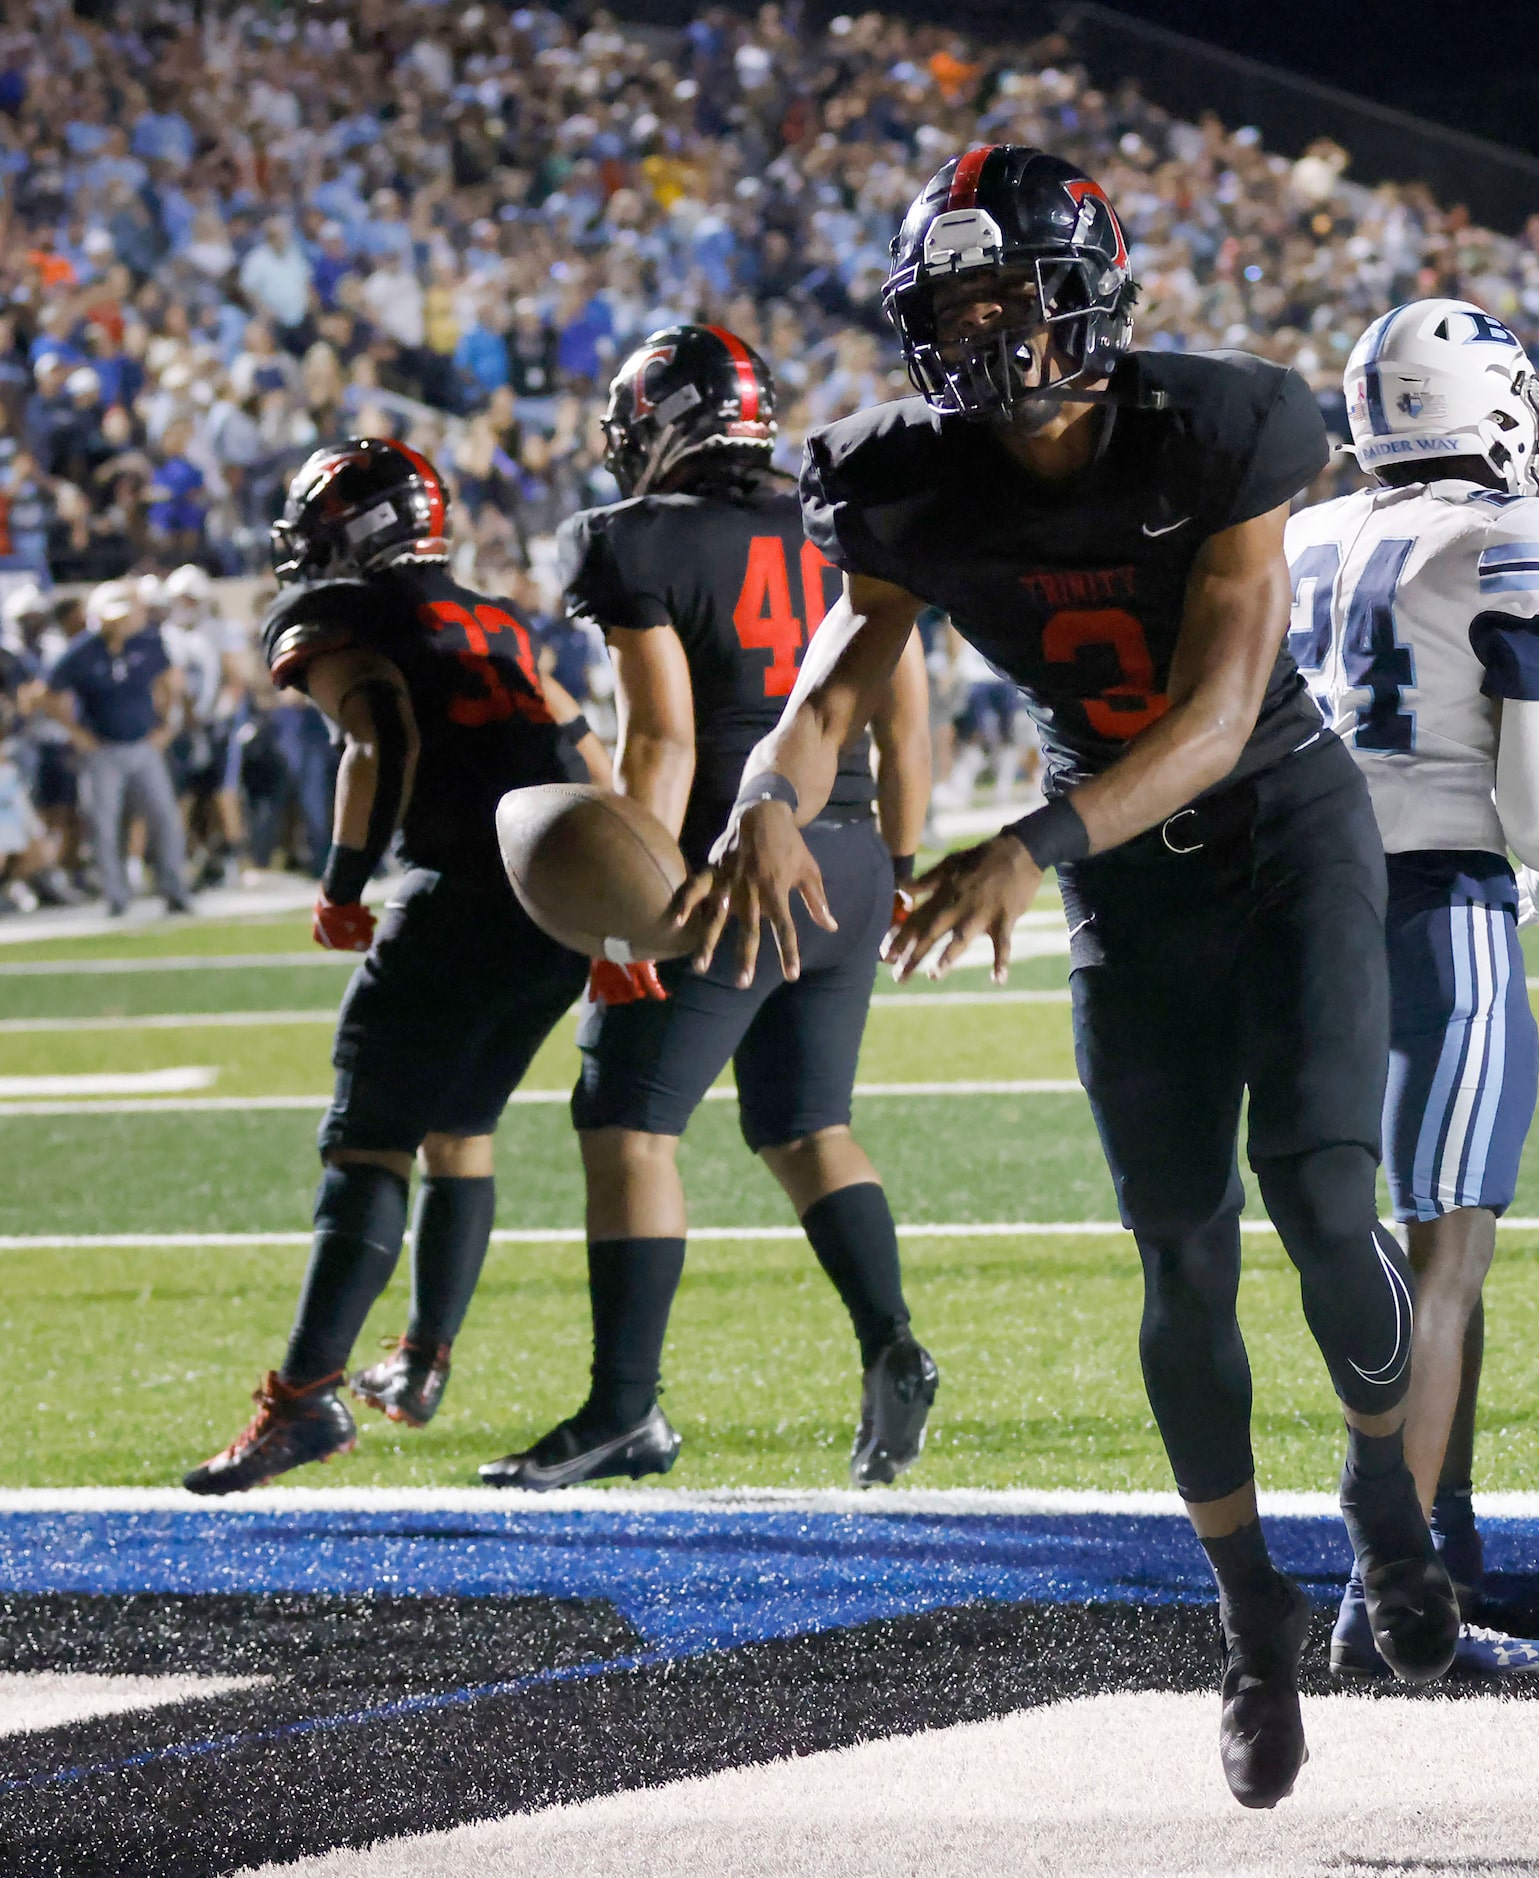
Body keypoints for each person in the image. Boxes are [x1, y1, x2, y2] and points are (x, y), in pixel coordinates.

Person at [686, 146, 1456, 1808]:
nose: (977, 333)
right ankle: (1252, 1619)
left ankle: (1386, 1496)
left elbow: (1218, 714)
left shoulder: (1220, 424)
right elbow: (834, 677)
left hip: (1277, 835)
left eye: (1003, 294)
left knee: (1328, 1204)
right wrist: (764, 792)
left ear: (1085, 285)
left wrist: (1029, 843)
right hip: (1123, 883)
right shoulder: (905, 478)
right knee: (1179, 1256)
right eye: (947, 305)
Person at [479, 326, 939, 1491]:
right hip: (851, 855)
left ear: (660, 428)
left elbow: (666, 739)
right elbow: (905, 713)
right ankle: (892, 1341)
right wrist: (899, 858)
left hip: (728, 867)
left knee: (625, 1123)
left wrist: (628, 922)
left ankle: (623, 1412)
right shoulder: (836, 518)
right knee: (802, 1125)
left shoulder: (632, 541)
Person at [183, 440, 606, 1494]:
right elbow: (582, 752)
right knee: (457, 1129)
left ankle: (302, 1399)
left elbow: (378, 738)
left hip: (454, 895)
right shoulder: (498, 616)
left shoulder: (338, 613)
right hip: (552, 913)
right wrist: (621, 925)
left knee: (366, 1143)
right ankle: (420, 1359)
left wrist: (340, 884)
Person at [1286, 297, 1539, 1681]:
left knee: (1382, 1259)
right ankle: (1390, 1595)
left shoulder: (1305, 533)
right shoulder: (1517, 532)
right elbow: (1532, 797)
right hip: (1444, 901)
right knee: (1444, 1266)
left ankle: (1437, 1554)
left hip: (1302, 906)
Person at [44, 577, 193, 916]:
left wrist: (167, 724)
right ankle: (116, 896)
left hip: (143, 745)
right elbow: (47, 694)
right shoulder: (82, 651)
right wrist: (76, 733)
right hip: (103, 750)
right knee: (103, 824)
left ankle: (174, 890)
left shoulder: (149, 643)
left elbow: (171, 681)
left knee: (165, 818)